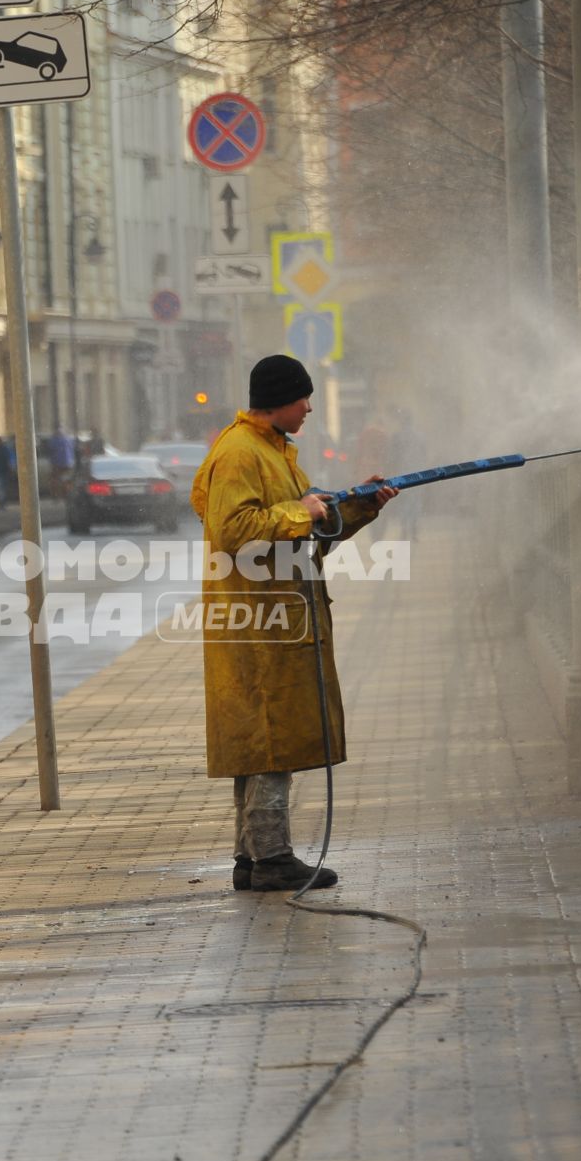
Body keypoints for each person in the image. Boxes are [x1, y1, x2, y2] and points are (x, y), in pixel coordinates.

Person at [190, 354, 397, 893]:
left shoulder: (272, 452)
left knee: (261, 739)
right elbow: (235, 529)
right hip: (260, 624)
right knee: (268, 737)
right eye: (304, 398)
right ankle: (273, 858)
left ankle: (251, 858)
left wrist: (358, 507)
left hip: (275, 616)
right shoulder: (239, 453)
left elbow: (304, 528)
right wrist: (305, 511)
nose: (309, 407)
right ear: (280, 400)